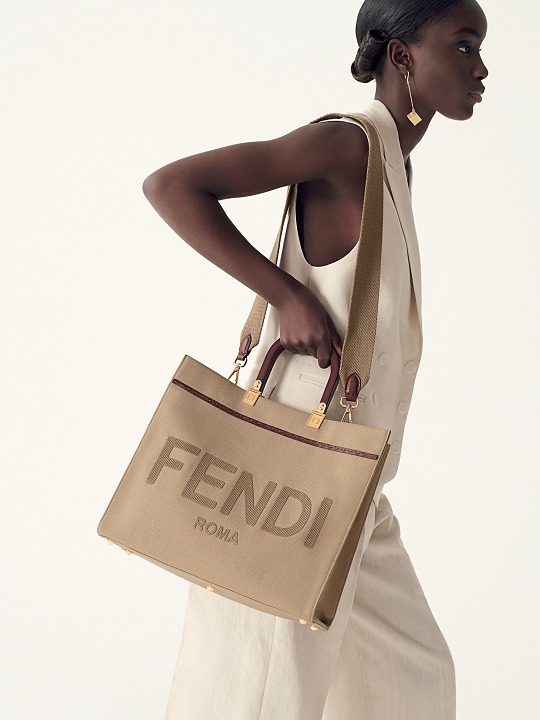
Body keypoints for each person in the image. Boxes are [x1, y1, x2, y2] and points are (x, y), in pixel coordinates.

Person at [142, 1, 488, 717]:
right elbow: (172, 185)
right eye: (463, 46)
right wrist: (283, 294)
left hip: (353, 481)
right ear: (402, 56)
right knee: (259, 690)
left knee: (412, 674)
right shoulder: (348, 143)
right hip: (291, 471)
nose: (482, 69)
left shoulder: (391, 163)